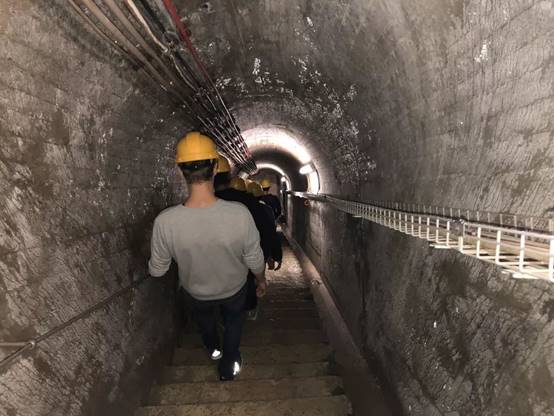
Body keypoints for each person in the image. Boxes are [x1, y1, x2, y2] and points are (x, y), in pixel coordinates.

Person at [148, 132, 266, 381]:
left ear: (181, 170)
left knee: (205, 322)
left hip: (196, 291)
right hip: (234, 289)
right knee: (234, 323)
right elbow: (254, 257)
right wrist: (261, 279)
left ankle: (213, 349)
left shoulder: (165, 222)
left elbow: (157, 270)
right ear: (214, 168)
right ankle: (228, 365)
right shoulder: (239, 214)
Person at [214, 157, 276, 320]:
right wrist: (267, 259)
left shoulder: (208, 202)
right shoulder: (254, 205)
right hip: (246, 254)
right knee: (246, 280)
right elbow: (266, 232)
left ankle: (222, 315)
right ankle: (246, 309)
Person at [248, 181, 283, 272]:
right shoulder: (267, 208)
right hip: (261, 250)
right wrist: (277, 255)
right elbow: (272, 234)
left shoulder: (240, 210)